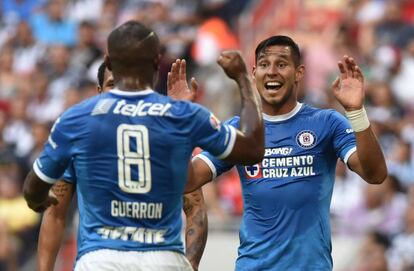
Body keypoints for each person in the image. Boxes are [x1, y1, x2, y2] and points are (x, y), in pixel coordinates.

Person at [23, 21, 264, 271]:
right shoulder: (183, 115)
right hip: (163, 258)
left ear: (109, 61)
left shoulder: (76, 120)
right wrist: (243, 78)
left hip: (100, 259)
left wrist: (38, 197)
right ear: (156, 62)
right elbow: (254, 149)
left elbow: (33, 188)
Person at [170, 35, 388, 270]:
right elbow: (186, 180)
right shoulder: (239, 130)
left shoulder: (326, 122)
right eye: (264, 65)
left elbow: (375, 174)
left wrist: (356, 111)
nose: (272, 71)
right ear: (254, 73)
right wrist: (180, 120)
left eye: (282, 64)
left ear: (299, 72)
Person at [37, 62, 208, 271]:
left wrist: (190, 265)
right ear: (99, 92)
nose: (120, 92)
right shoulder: (80, 137)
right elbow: (55, 214)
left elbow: (194, 207)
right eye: (112, 84)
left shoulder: (166, 134)